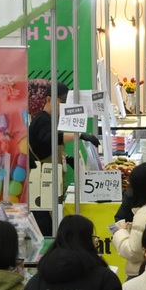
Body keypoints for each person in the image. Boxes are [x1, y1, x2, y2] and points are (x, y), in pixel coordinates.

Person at [28, 81, 101, 236]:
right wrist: (79, 135)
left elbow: (47, 148)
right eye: (62, 102)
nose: (65, 106)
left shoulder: (52, 120)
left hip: (52, 182)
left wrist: (67, 159)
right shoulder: (41, 119)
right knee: (46, 227)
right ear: (48, 99)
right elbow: (48, 138)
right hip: (41, 185)